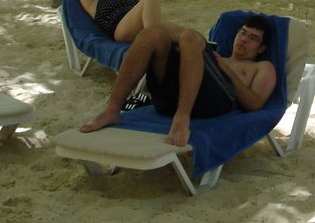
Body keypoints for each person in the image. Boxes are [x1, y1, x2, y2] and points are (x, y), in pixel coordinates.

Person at [80, 13, 278, 148]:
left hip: (214, 104)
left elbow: (254, 104)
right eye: (242, 33)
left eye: (252, 38)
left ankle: (183, 118)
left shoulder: (263, 67)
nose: (243, 39)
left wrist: (224, 67)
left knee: (190, 37)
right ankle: (113, 108)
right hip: (171, 99)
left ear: (261, 48)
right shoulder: (218, 56)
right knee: (153, 34)